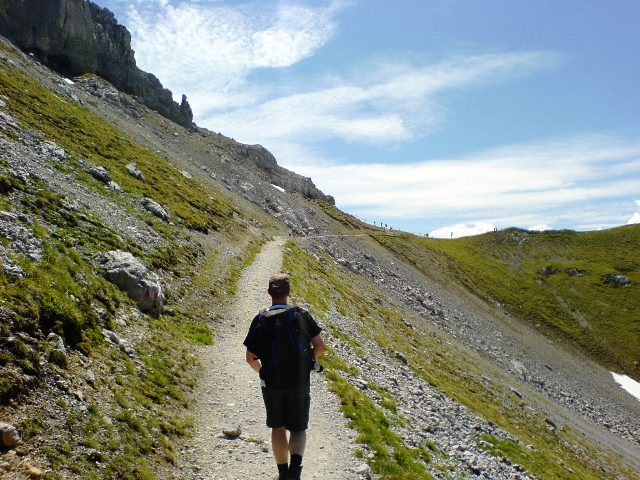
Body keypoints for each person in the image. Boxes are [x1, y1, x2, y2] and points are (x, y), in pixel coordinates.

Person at [244, 273, 326, 480]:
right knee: (298, 427)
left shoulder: (260, 319)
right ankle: (295, 472)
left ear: (269, 293)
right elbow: (320, 346)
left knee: (277, 427)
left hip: (272, 381)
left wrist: (263, 372)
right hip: (298, 379)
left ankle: (282, 473)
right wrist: (307, 362)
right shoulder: (301, 314)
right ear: (289, 292)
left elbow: (250, 359)